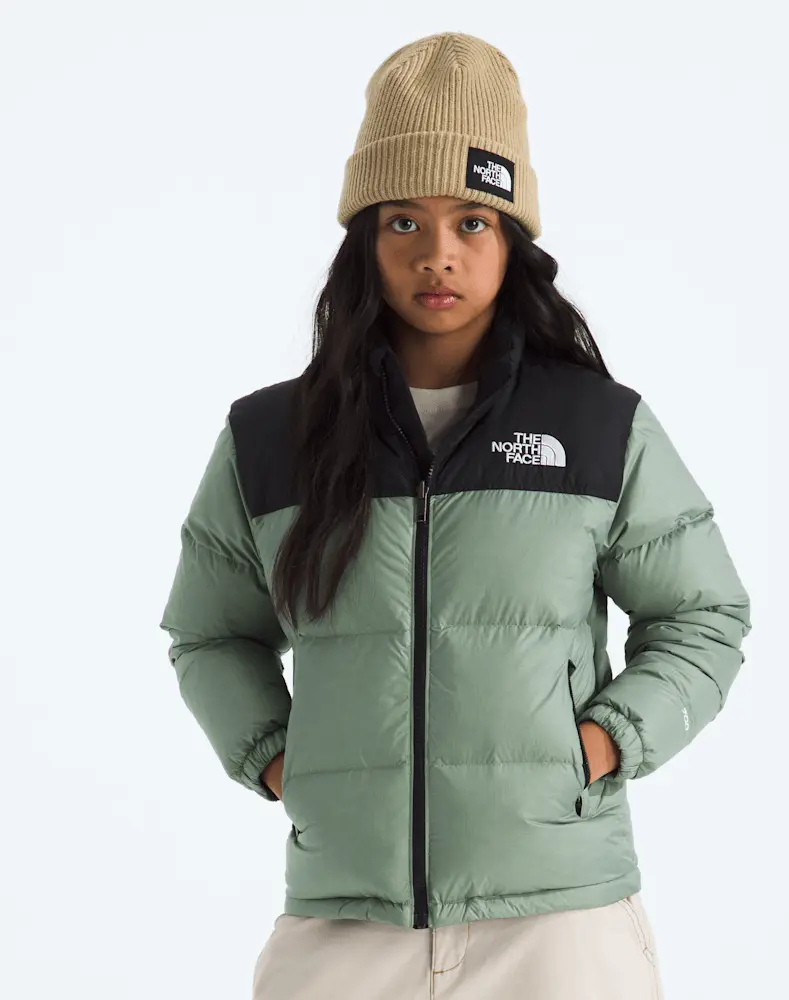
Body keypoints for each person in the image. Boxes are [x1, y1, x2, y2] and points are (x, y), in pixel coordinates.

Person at [159, 31, 751, 1000]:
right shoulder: (272, 438)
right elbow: (211, 632)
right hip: (344, 924)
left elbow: (703, 615)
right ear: (365, 239)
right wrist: (280, 762)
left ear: (510, 237)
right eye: (404, 220)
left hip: (560, 928)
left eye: (472, 220)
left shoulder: (597, 427)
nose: (437, 254)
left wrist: (601, 744)